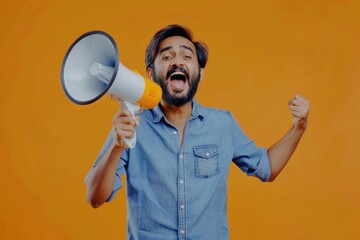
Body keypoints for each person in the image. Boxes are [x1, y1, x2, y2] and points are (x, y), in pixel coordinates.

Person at [85, 24, 310, 240]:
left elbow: (268, 169)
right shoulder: (131, 127)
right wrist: (117, 146)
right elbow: (95, 198)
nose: (177, 62)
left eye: (186, 56)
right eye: (167, 56)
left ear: (200, 73)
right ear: (151, 74)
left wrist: (298, 127)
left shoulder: (223, 124)